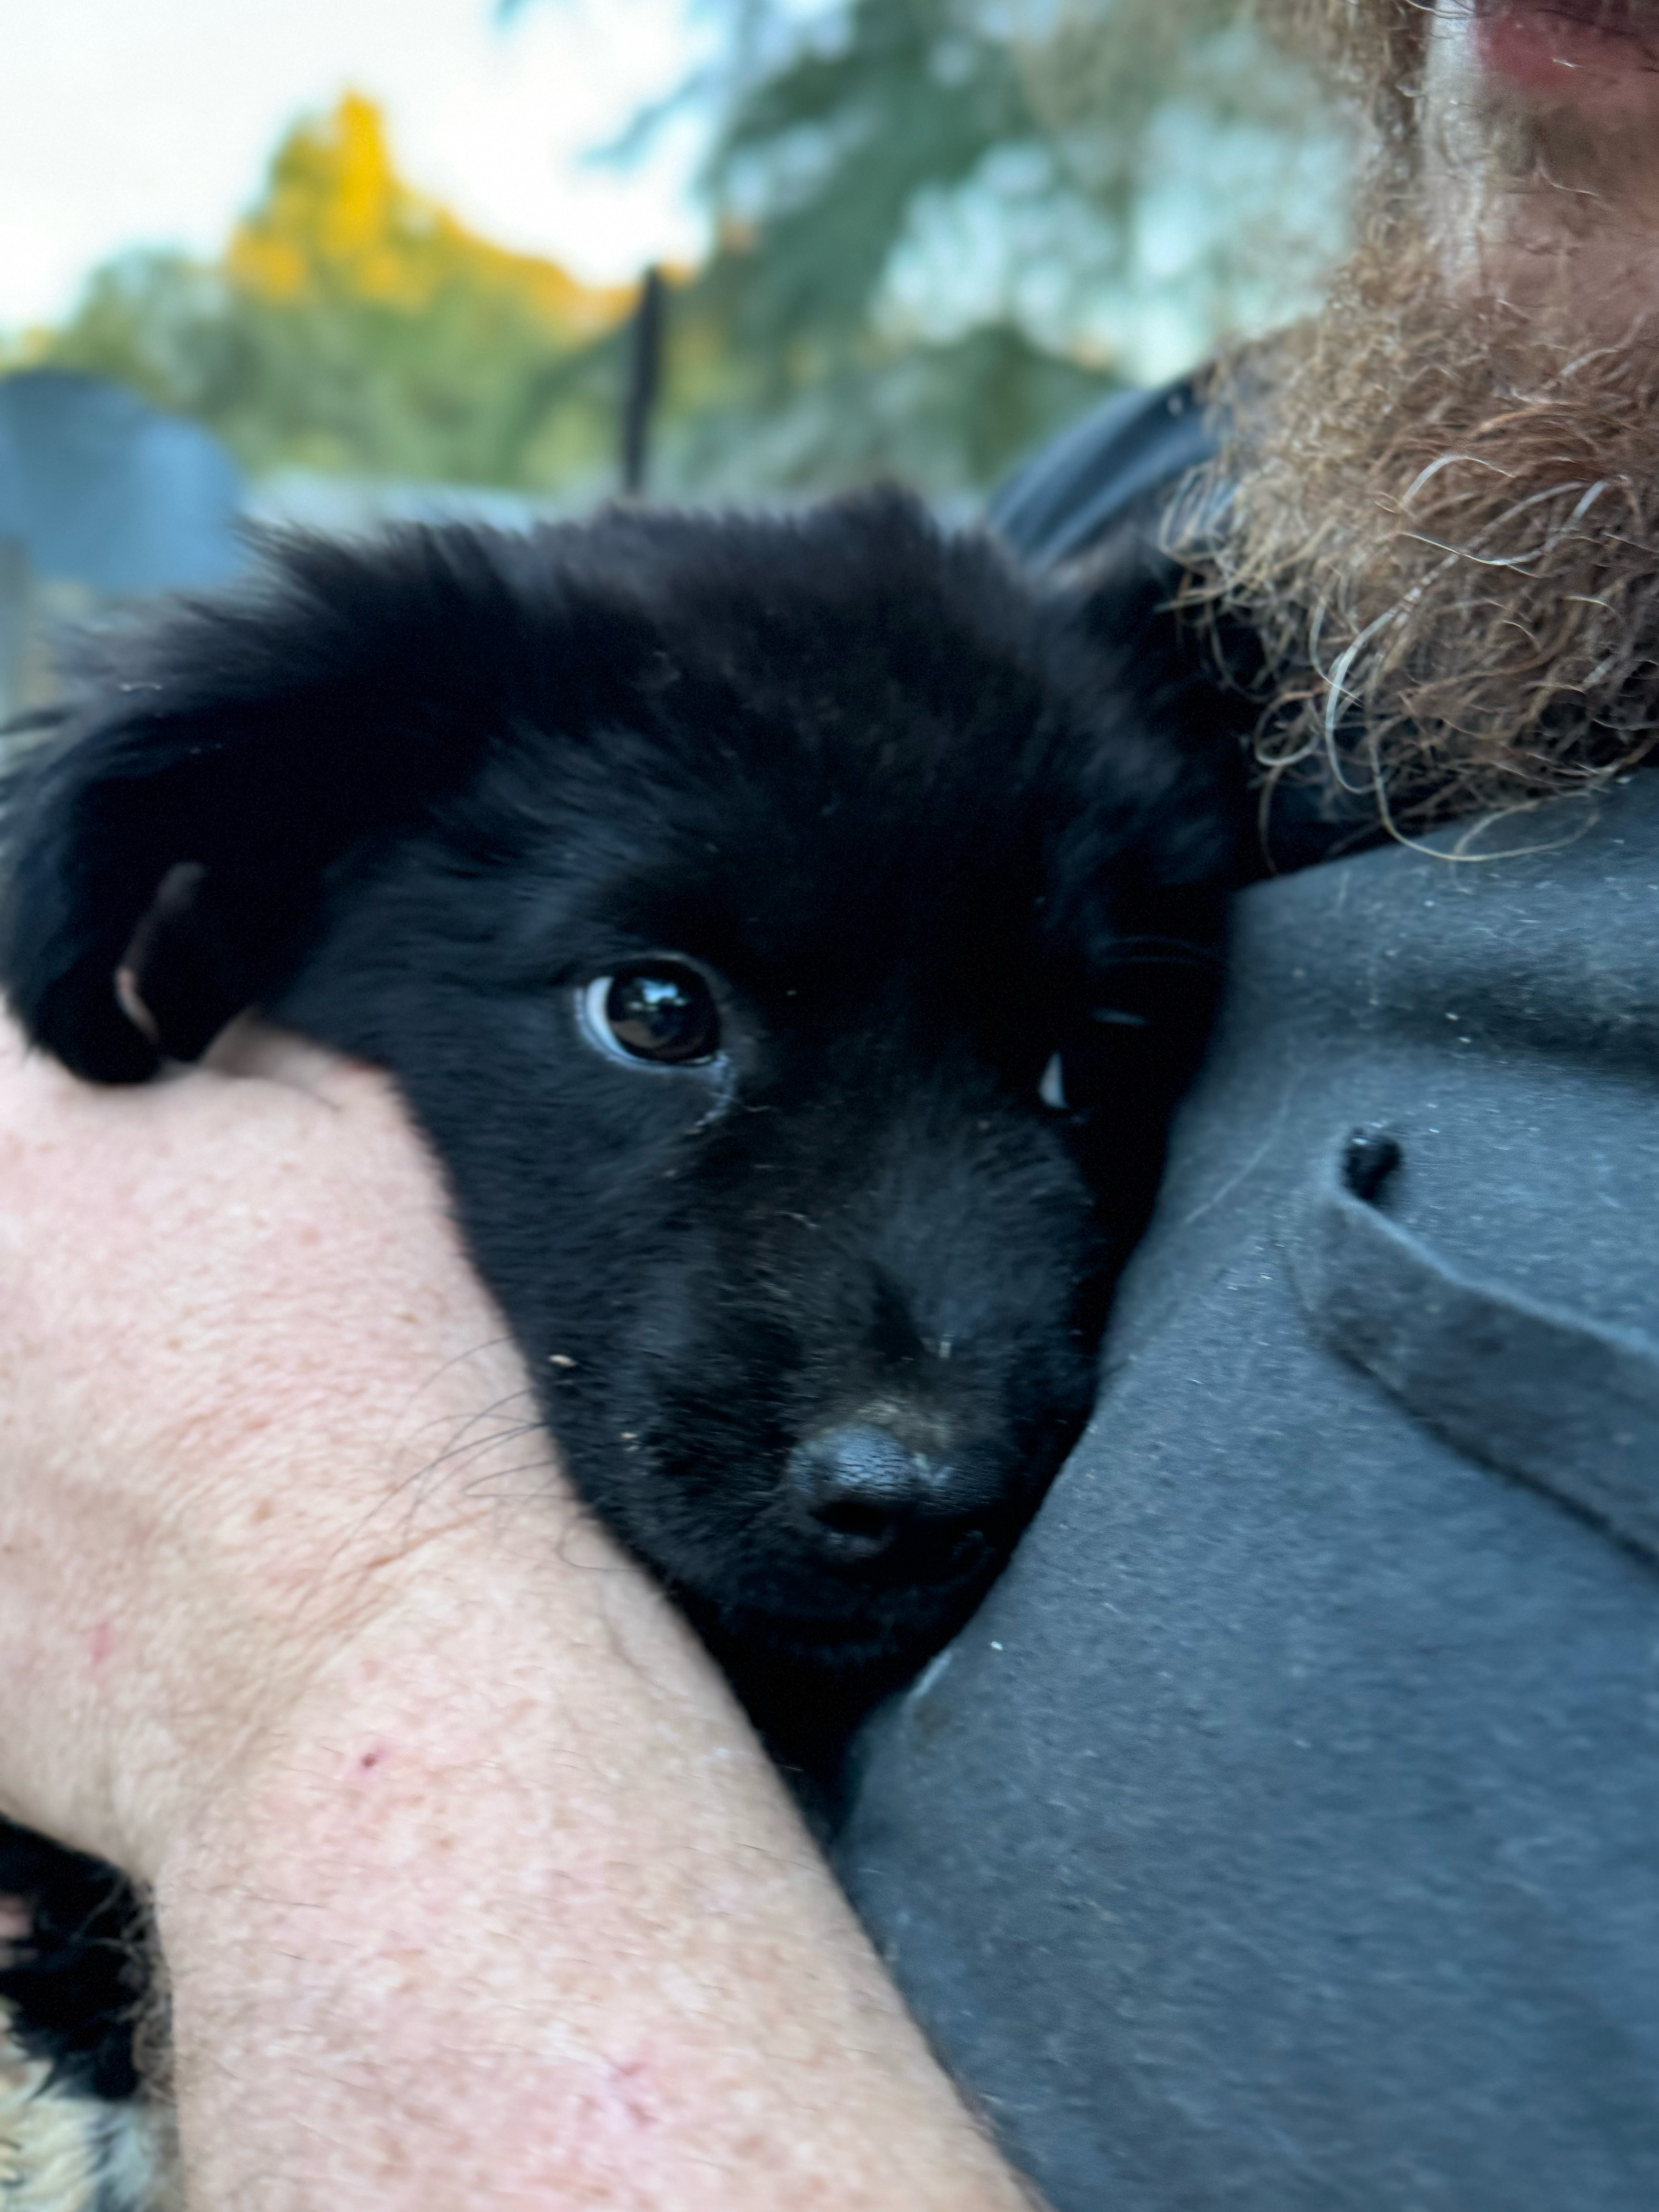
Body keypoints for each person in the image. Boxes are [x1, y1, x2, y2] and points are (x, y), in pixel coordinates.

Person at [4, 0, 1659, 2205]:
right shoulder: (1320, 514)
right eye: (663, 1017)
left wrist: (311, 1623)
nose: (920, 1424)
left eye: (1072, 1078)